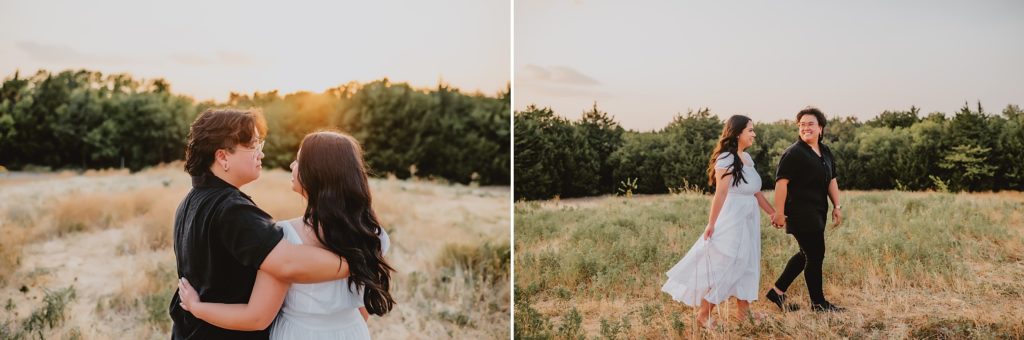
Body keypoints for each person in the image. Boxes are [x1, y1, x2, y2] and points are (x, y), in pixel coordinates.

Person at [178, 131, 395, 340]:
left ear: (317, 173)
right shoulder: (373, 235)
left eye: (299, 160)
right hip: (352, 332)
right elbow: (362, 308)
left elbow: (257, 317)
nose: (292, 165)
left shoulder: (285, 237)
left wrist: (197, 307)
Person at [661, 115, 777, 328]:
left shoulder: (747, 159)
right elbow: (721, 193)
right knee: (728, 263)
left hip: (749, 219)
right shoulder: (726, 158)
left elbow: (756, 193)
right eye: (750, 130)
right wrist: (711, 223)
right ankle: (704, 314)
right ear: (738, 132)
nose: (754, 134)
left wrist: (773, 213)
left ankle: (745, 314)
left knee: (748, 263)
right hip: (732, 218)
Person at [765, 107, 846, 313]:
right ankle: (818, 304)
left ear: (821, 128)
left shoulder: (825, 151)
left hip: (818, 211)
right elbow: (781, 183)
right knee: (815, 255)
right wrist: (779, 212)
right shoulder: (793, 153)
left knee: (805, 254)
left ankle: (777, 291)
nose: (805, 128)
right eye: (801, 124)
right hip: (800, 212)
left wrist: (837, 206)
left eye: (810, 124)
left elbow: (832, 179)